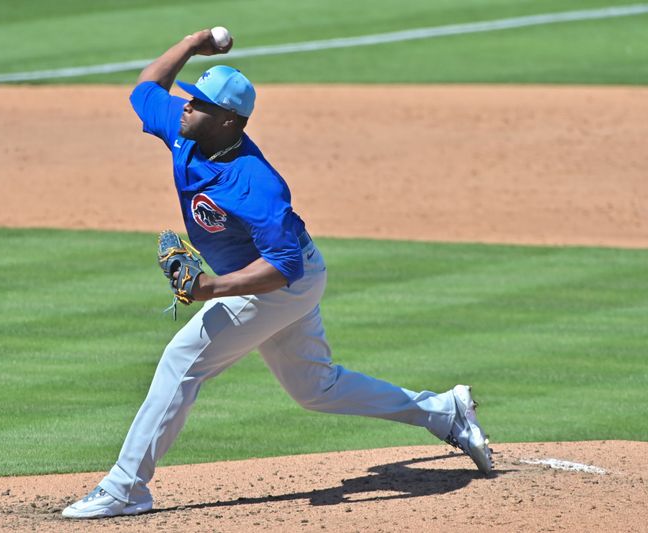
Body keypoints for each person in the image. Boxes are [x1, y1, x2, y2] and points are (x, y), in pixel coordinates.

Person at [62, 29, 492, 519]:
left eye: (198, 103)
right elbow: (146, 88)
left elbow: (282, 267)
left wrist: (211, 289)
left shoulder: (256, 185)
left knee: (182, 361)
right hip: (287, 276)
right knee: (316, 389)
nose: (185, 106)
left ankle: (126, 488)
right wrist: (189, 44)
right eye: (188, 99)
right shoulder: (186, 133)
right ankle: (444, 411)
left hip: (280, 281)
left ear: (228, 121)